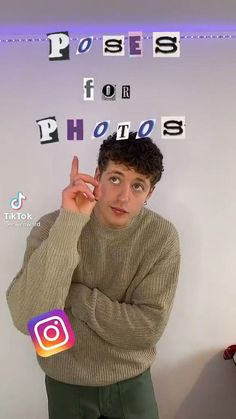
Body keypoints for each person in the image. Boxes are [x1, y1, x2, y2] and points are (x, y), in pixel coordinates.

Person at [6, 131, 181, 419]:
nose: (124, 196)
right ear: (97, 176)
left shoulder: (161, 237)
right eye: (115, 179)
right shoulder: (52, 227)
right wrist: (71, 223)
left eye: (138, 186)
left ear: (150, 194)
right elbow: (28, 318)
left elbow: (147, 328)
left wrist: (75, 295)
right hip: (65, 380)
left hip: (131, 380)